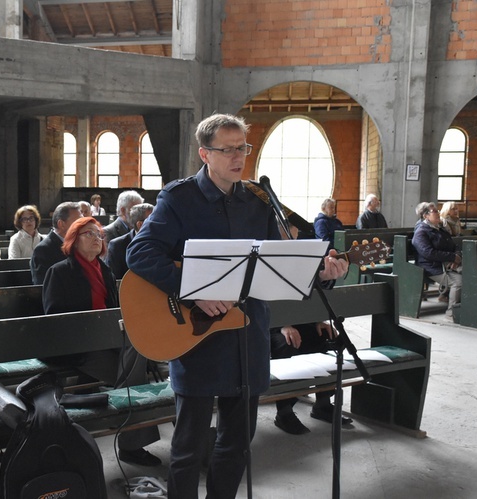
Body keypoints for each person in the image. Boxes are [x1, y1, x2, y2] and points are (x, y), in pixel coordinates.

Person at [126, 113, 348, 497]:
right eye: (227, 149)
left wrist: (322, 273)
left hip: (248, 335)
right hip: (194, 337)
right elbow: (139, 253)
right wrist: (194, 290)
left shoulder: (259, 200)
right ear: (205, 154)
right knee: (188, 446)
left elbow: (277, 267)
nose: (237, 157)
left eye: (242, 148)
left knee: (236, 443)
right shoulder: (179, 199)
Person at [43, 217, 161, 466]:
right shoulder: (60, 272)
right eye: (89, 234)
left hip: (110, 344)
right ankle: (131, 446)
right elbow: (54, 320)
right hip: (80, 348)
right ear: (74, 241)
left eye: (99, 234)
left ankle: (125, 418)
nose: (97, 238)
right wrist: (93, 327)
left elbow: (116, 309)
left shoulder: (104, 270)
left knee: (135, 357)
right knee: (137, 371)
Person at [271, 322, 353, 435]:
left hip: (299, 323)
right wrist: (282, 326)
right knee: (288, 342)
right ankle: (284, 412)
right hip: (271, 326)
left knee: (327, 335)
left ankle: (322, 404)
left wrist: (317, 321)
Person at [412, 202, 462, 319]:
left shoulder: (440, 229)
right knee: (458, 282)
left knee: (473, 275)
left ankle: (467, 309)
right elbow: (429, 253)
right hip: (431, 267)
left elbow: (455, 246)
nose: (438, 213)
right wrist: (451, 257)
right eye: (434, 211)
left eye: (438, 211)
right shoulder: (421, 232)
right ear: (425, 216)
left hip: (446, 264)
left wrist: (456, 257)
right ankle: (451, 314)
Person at [30, 202, 81, 285]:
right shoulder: (43, 250)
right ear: (61, 224)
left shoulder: (80, 244)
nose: (82, 226)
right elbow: (44, 286)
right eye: (77, 222)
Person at [106, 202, 153, 279]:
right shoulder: (118, 246)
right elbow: (114, 280)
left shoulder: (164, 243)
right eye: (153, 220)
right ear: (140, 225)